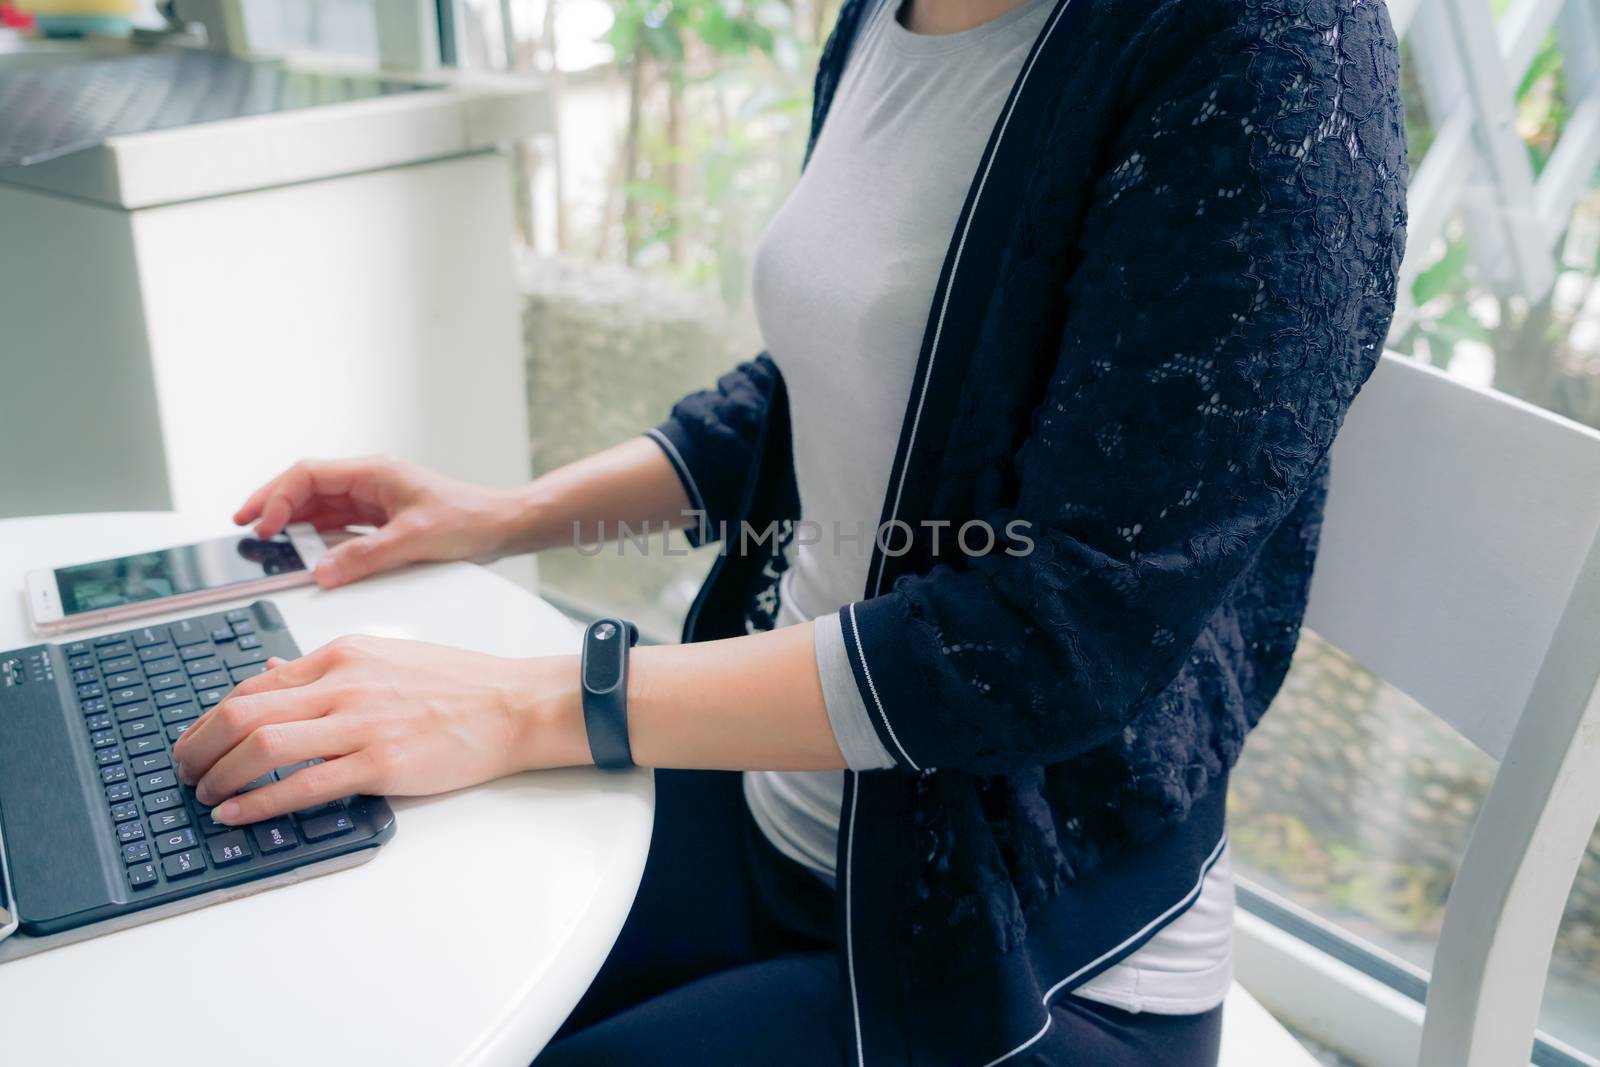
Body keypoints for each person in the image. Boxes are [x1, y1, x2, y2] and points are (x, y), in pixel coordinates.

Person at [172, 0, 1409, 1061]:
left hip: (1026, 956)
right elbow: (824, 387)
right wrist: (498, 517)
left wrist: (525, 704)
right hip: (783, 817)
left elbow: (1060, 633)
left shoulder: (1264, 48)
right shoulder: (889, 9)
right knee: (385, 972)